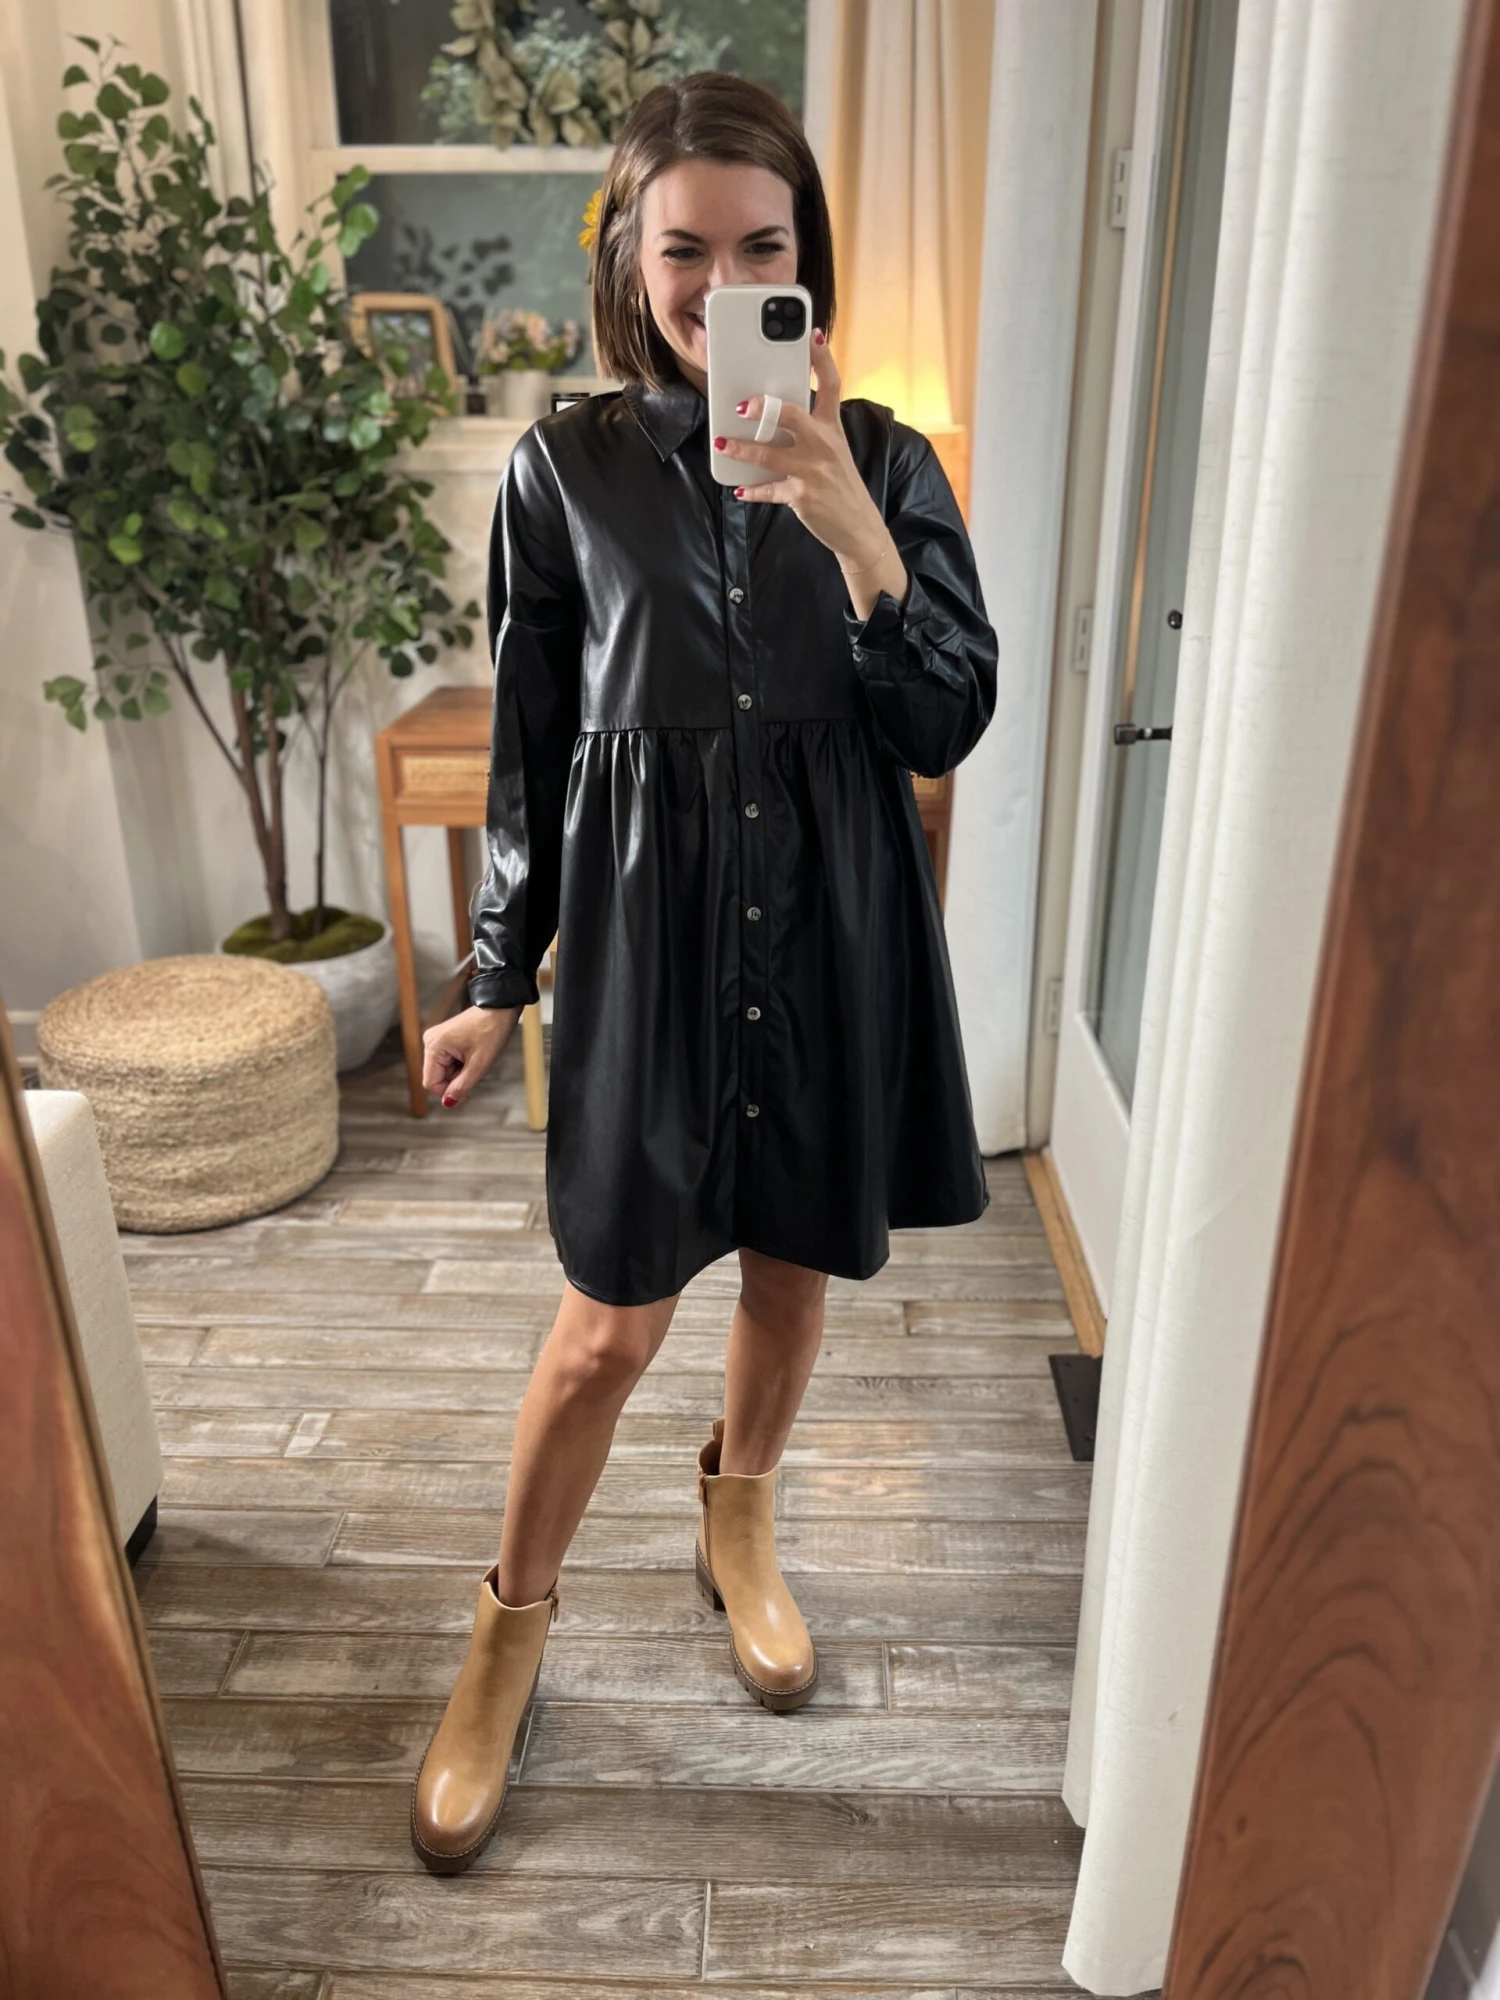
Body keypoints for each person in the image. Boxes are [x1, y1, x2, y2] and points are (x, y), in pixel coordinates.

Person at [410, 69, 998, 1876]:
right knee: (608, 1327)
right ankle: (508, 1635)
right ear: (629, 259)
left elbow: (944, 720)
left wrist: (854, 526)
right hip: (649, 956)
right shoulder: (561, 471)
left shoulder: (885, 458)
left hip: (830, 933)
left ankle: (739, 1525)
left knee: (793, 1277)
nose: (721, 282)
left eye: (763, 249)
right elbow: (529, 745)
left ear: (807, 261)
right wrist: (495, 972)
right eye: (686, 250)